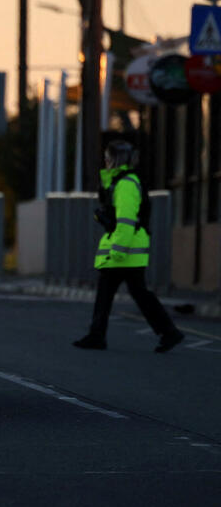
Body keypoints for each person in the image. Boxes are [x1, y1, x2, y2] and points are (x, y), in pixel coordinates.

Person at [72, 139, 184, 353]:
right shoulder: (122, 182)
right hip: (128, 248)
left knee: (121, 293)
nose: (105, 162)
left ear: (115, 160)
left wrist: (118, 249)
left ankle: (99, 336)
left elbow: (126, 220)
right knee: (129, 293)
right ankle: (167, 332)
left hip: (125, 250)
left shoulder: (125, 184)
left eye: (107, 158)